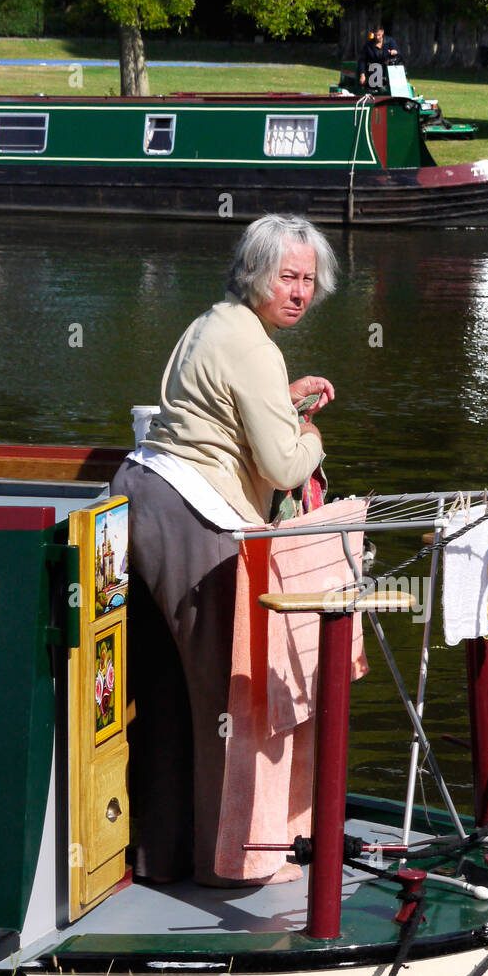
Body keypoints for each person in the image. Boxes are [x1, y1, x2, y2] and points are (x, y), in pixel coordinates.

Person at [110, 213, 338, 887]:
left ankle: (159, 855)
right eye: (287, 277)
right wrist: (314, 438)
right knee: (224, 701)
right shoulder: (256, 348)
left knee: (161, 695)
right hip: (193, 521)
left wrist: (283, 405)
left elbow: (214, 414)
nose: (299, 292)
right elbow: (283, 468)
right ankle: (228, 867)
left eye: (309, 279)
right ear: (255, 274)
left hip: (140, 501)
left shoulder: (211, 324)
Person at [357, 25, 400, 92]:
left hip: (387, 67)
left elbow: (396, 50)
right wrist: (362, 75)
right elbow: (362, 60)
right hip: (373, 69)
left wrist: (394, 51)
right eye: (375, 35)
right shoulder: (368, 45)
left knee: (397, 61)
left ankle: (399, 85)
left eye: (379, 35)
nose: (377, 37)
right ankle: (379, 89)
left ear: (382, 32)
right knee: (377, 67)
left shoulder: (389, 41)